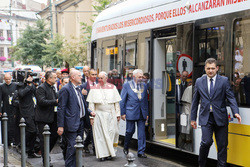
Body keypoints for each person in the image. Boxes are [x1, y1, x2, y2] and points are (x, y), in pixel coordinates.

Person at [191, 58, 241, 167]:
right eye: (208, 68)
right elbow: (194, 101)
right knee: (206, 142)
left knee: (222, 146)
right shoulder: (199, 81)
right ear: (205, 68)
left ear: (217, 68)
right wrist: (193, 118)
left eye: (213, 68)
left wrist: (235, 112)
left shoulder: (224, 81)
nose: (210, 71)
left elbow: (231, 98)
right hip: (206, 118)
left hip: (221, 118)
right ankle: (201, 164)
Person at [57, 70, 94, 167]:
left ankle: (77, 164)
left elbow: (82, 105)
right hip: (71, 123)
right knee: (72, 148)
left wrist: (90, 112)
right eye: (79, 76)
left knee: (78, 147)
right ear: (73, 77)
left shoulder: (78, 88)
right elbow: (61, 108)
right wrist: (60, 126)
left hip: (80, 122)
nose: (81, 77)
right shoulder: (65, 89)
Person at [87, 71, 121, 161]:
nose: (100, 80)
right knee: (100, 136)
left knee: (112, 133)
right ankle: (102, 154)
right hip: (99, 114)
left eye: (102, 78)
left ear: (106, 78)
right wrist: (91, 117)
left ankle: (110, 153)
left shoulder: (113, 87)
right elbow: (91, 104)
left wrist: (118, 114)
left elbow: (116, 103)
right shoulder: (94, 88)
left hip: (111, 114)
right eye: (99, 78)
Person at [120, 69, 149, 158]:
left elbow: (145, 101)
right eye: (139, 77)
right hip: (131, 112)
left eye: (142, 77)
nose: (141, 79)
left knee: (141, 133)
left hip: (141, 113)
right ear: (134, 77)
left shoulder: (144, 85)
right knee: (130, 131)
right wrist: (122, 113)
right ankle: (126, 146)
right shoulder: (126, 85)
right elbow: (122, 100)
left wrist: (146, 113)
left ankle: (141, 151)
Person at [36, 71, 58, 166]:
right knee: (44, 139)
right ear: (49, 78)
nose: (56, 79)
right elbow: (41, 101)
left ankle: (46, 152)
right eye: (55, 77)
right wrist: (55, 101)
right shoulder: (41, 88)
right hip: (43, 118)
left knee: (55, 136)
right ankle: (45, 160)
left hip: (52, 117)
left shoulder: (53, 88)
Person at [17, 73, 41, 158]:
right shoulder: (20, 85)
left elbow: (36, 93)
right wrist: (29, 85)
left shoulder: (30, 85)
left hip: (33, 111)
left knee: (35, 132)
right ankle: (21, 145)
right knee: (32, 130)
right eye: (29, 76)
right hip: (26, 112)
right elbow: (21, 94)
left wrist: (32, 84)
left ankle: (31, 151)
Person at [81, 69, 97, 154]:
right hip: (87, 111)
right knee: (91, 129)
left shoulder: (98, 85)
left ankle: (91, 147)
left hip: (96, 111)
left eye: (95, 74)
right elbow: (82, 101)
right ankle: (89, 145)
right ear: (88, 76)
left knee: (93, 130)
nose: (94, 76)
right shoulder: (83, 86)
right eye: (92, 74)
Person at [0, 73, 17, 145]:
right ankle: (6, 141)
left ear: (11, 78)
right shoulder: (2, 87)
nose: (7, 81)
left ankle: (13, 140)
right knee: (5, 125)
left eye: (9, 79)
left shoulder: (15, 86)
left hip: (13, 108)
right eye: (6, 79)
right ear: (4, 79)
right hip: (5, 108)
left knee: (13, 124)